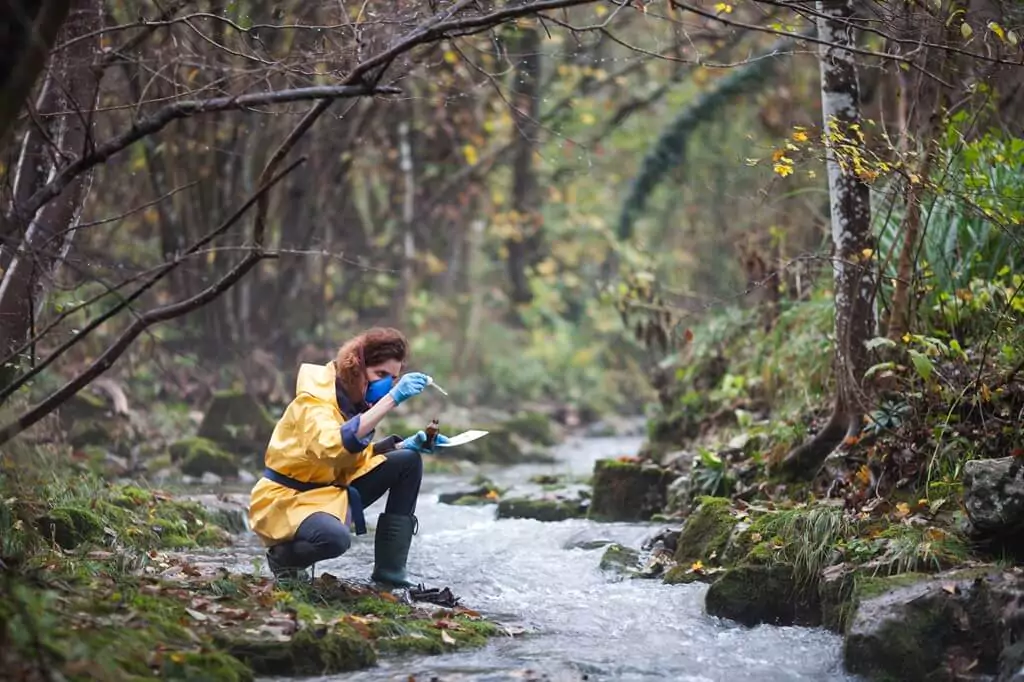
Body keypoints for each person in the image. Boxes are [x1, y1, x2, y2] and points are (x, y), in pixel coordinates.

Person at [248, 327, 449, 587]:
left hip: (329, 491)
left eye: (392, 378)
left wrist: (403, 446)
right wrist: (392, 399)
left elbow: (351, 459)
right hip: (288, 498)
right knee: (335, 539)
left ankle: (390, 573)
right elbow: (331, 448)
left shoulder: (355, 403)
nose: (387, 383)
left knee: (408, 461)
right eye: (380, 374)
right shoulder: (314, 401)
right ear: (357, 367)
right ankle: (283, 559)